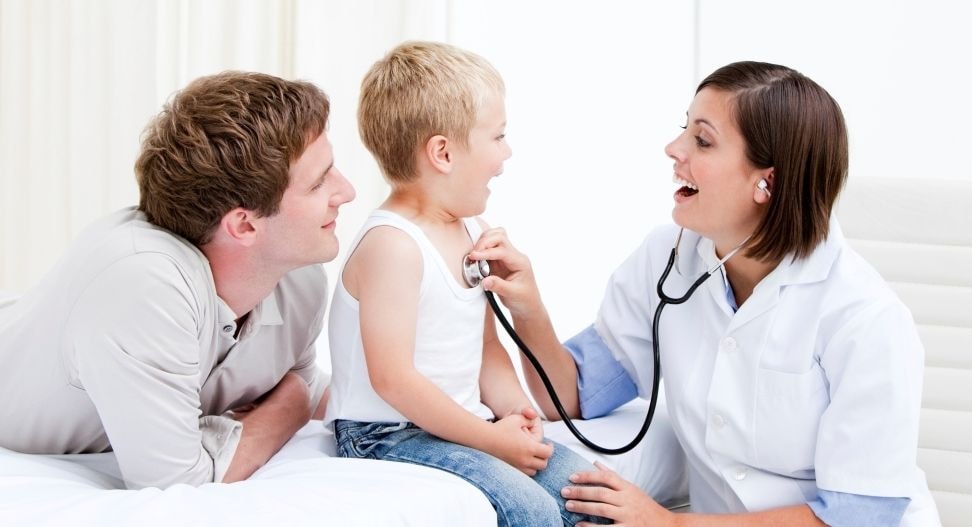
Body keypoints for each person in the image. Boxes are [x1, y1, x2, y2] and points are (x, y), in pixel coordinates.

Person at [469, 61, 941, 526]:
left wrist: (669, 525)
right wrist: (529, 308)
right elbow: (572, 397)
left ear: (767, 182)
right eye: (684, 129)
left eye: (702, 139)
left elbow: (859, 516)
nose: (673, 149)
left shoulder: (863, 316)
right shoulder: (667, 257)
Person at [0, 71, 356, 490]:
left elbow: (302, 384)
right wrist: (291, 409)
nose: (346, 191)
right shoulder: (144, 285)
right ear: (243, 226)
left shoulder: (300, 278)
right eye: (319, 182)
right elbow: (175, 483)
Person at [324, 41, 604, 527]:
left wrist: (516, 411)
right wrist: (491, 439)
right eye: (497, 137)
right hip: (385, 433)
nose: (507, 152)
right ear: (443, 152)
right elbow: (393, 379)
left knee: (592, 496)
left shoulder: (470, 228)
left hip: (460, 421)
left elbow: (485, 347)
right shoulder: (393, 246)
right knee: (530, 511)